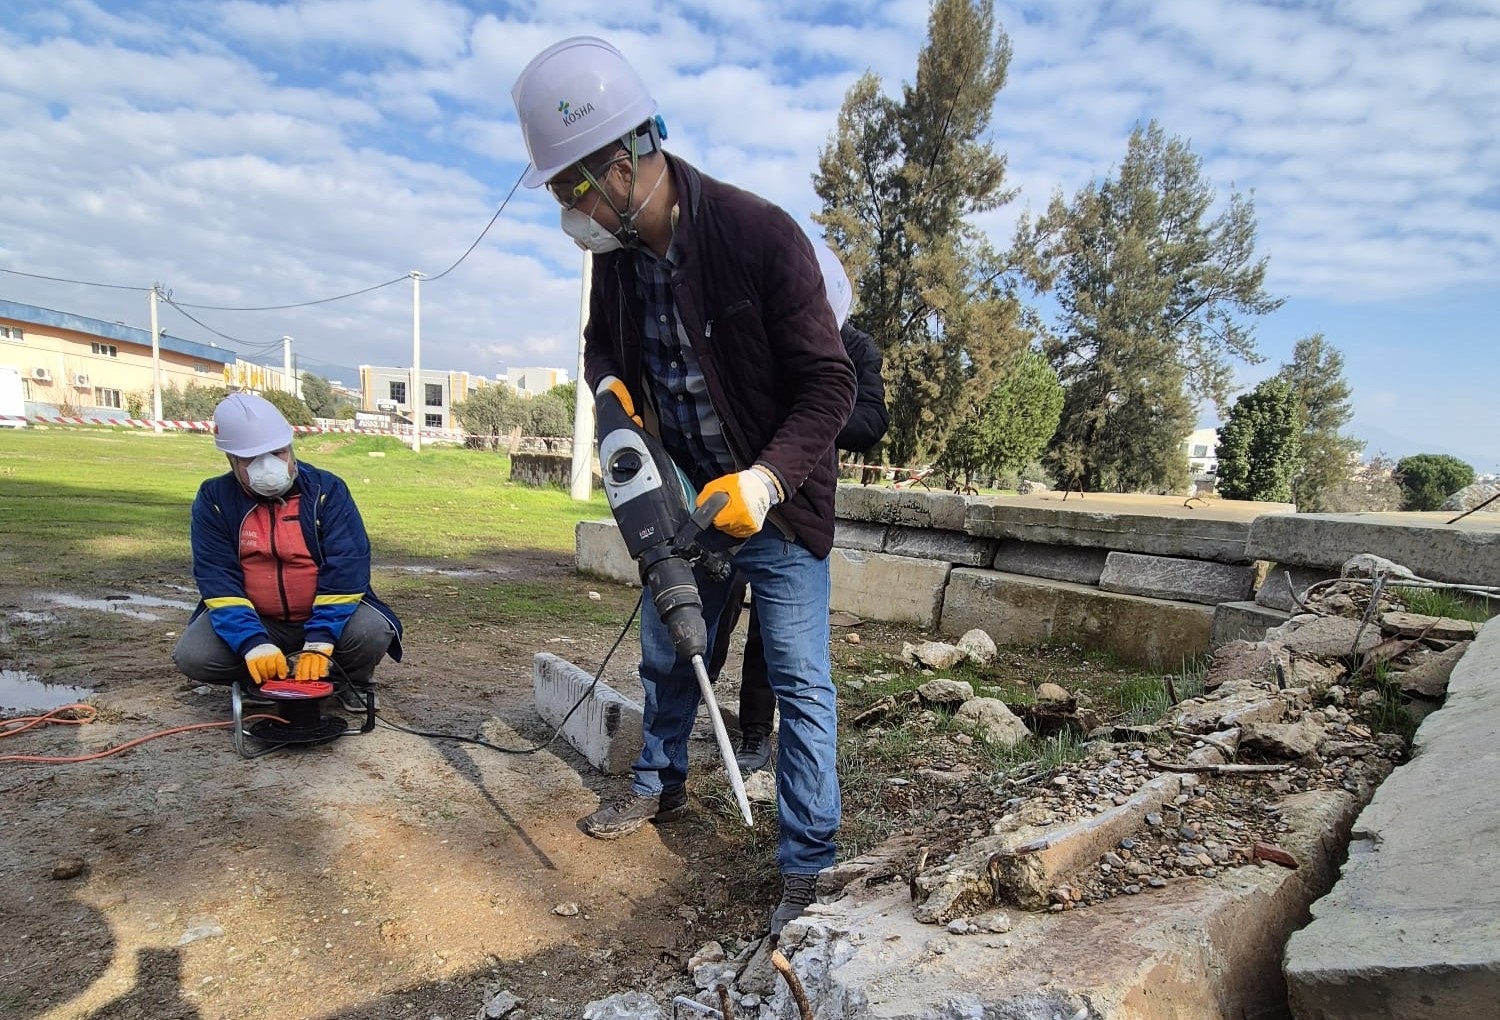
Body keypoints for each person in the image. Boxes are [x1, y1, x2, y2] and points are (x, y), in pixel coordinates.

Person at [511, 36, 856, 940]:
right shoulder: (617, 259)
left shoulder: (758, 235)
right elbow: (602, 349)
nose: (567, 211)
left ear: (623, 163)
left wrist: (770, 480)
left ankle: (809, 865)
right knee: (671, 648)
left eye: (570, 188)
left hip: (776, 505)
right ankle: (660, 785)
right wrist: (611, 392)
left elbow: (832, 385)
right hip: (695, 498)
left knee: (798, 676)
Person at [707, 240, 888, 775]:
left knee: (772, 626)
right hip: (731, 484)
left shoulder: (856, 349)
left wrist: (815, 408)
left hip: (795, 499)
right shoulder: (762, 324)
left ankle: (756, 733)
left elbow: (872, 422)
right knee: (710, 607)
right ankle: (694, 700)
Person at [172, 393, 402, 702]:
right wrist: (252, 642)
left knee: (372, 632)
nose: (267, 466)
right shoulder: (214, 500)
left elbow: (347, 568)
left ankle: (346, 682)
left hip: (320, 614)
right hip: (260, 619)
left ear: (291, 448)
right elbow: (217, 580)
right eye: (251, 459)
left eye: (277, 453)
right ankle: (261, 680)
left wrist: (321, 640)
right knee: (193, 655)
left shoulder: (327, 491)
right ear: (231, 460)